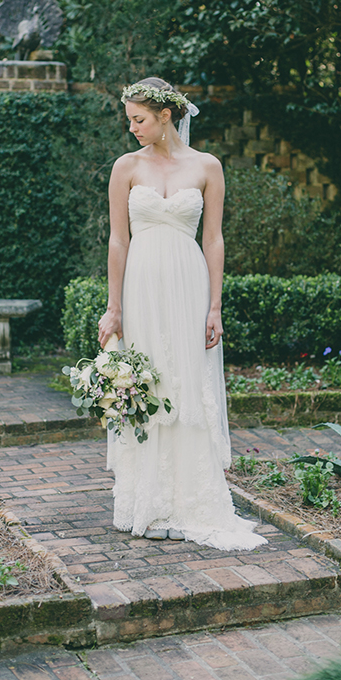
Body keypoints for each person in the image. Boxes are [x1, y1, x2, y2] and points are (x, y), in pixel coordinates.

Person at [98, 77, 266, 550]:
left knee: (187, 384)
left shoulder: (207, 166)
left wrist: (215, 305)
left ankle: (193, 500)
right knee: (148, 383)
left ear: (166, 115)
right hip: (142, 286)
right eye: (129, 119)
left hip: (190, 285)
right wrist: (114, 308)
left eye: (139, 119)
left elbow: (213, 239)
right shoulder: (125, 167)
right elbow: (117, 240)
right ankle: (147, 501)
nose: (132, 127)